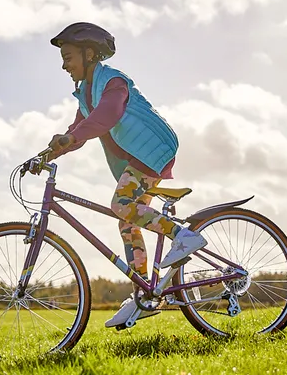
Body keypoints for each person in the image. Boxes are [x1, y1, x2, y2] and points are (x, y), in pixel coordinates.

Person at [42, 22, 209, 329]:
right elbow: (80, 127)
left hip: (152, 148)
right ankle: (144, 294)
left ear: (88, 53)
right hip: (137, 157)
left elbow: (106, 116)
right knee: (127, 220)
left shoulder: (112, 81)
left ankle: (182, 236)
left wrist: (70, 138)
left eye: (68, 56)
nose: (64, 65)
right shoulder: (86, 93)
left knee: (121, 204)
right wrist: (49, 152)